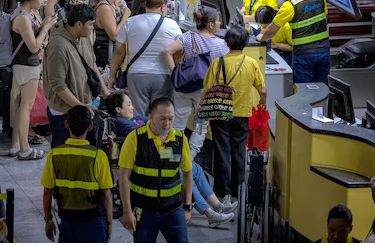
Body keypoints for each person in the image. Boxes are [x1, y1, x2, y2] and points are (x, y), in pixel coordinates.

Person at [105, 91, 236, 227]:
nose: (132, 107)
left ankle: (217, 205)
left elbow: (150, 121)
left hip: (169, 151)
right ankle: (209, 212)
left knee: (193, 169)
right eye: (129, 104)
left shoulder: (136, 118)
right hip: (153, 157)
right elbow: (144, 129)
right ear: (118, 110)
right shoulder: (122, 123)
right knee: (181, 171)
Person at [201, 24, 267, 203]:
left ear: (227, 43)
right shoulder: (251, 63)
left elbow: (207, 89)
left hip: (220, 113)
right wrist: (263, 103)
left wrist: (201, 109)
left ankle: (221, 193)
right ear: (245, 43)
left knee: (222, 152)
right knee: (238, 152)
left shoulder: (218, 63)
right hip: (242, 114)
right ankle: (238, 192)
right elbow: (262, 90)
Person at [118, 97, 194, 243]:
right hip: (145, 210)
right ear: (151, 117)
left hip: (173, 209)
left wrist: (188, 206)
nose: (167, 124)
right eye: (162, 119)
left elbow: (187, 173)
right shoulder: (135, 139)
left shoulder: (180, 139)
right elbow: (123, 176)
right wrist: (127, 210)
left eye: (171, 119)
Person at [41, 105, 113, 243]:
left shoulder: (54, 154)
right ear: (90, 126)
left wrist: (48, 220)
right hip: (94, 223)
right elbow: (106, 195)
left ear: (66, 124)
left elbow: (47, 192)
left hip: (68, 222)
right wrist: (109, 224)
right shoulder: (98, 155)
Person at [162, 7, 228, 155]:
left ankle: (171, 155)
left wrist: (175, 73)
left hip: (184, 87)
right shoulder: (221, 45)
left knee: (178, 123)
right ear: (210, 25)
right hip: (205, 91)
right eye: (218, 21)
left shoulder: (188, 37)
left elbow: (167, 51)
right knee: (199, 124)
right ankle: (190, 157)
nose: (220, 24)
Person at [110, 0, 182, 116]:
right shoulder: (172, 25)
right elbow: (179, 51)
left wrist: (112, 75)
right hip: (163, 76)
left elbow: (118, 52)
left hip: (136, 75)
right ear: (163, 7)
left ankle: (140, 135)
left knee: (138, 116)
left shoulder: (130, 22)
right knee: (160, 115)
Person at [43, 5, 105, 148]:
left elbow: (92, 64)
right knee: (63, 154)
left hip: (84, 107)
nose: (92, 28)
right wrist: (81, 106)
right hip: (65, 112)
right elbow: (58, 84)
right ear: (78, 24)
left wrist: (104, 92)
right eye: (90, 25)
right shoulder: (58, 45)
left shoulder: (83, 37)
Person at [9, 0, 57, 160]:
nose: (44, 1)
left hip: (27, 64)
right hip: (26, 64)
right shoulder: (22, 17)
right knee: (26, 106)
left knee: (23, 105)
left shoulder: (27, 13)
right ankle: (24, 149)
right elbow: (33, 46)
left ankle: (16, 145)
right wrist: (45, 28)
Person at [256, 0, 330, 84]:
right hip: (324, 51)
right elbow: (324, 19)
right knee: (322, 87)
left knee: (303, 89)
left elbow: (272, 29)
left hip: (304, 54)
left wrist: (262, 38)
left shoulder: (290, 5)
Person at [93, 0, 131, 69]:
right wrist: (125, 16)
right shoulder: (104, 7)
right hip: (105, 53)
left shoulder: (116, 4)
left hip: (115, 51)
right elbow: (114, 35)